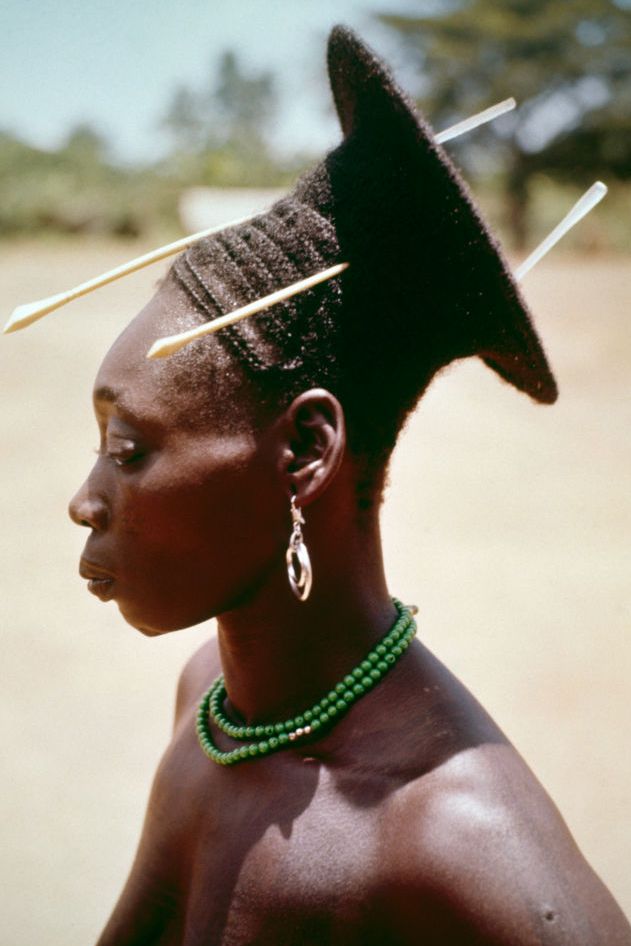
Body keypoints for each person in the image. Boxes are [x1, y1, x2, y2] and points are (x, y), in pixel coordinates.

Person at [66, 26, 630, 946]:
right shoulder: (211, 703)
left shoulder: (457, 842)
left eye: (129, 451)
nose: (84, 502)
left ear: (303, 451)